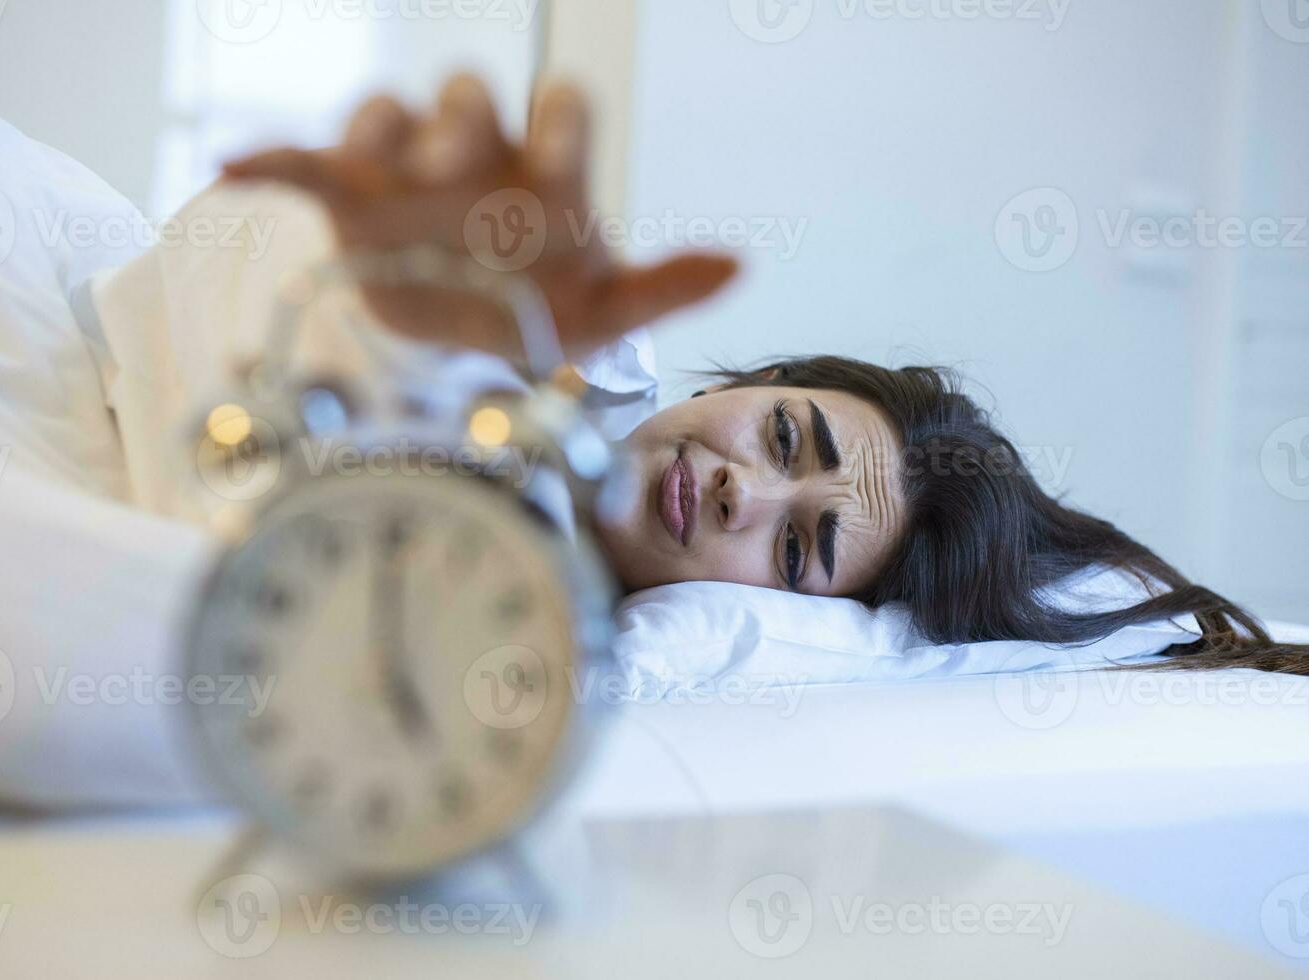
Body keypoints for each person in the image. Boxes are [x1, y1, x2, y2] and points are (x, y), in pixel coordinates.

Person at [226, 76, 1307, 676]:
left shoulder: (592, 652)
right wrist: (403, 316)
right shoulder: (559, 351)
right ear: (750, 381)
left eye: (796, 548)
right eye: (787, 437)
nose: (747, 489)